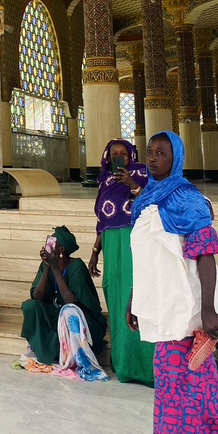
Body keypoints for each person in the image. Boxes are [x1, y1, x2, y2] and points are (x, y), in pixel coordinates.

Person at [129, 131, 218, 434]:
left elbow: (205, 255)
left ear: (176, 158)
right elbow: (146, 260)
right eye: (149, 153)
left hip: (185, 304)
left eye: (161, 153)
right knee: (201, 375)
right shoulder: (145, 200)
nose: (152, 158)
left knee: (171, 380)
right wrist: (135, 300)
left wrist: (209, 310)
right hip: (159, 300)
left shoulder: (186, 198)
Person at [88, 139, 154, 386]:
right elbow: (102, 221)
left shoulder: (142, 174)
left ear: (131, 155)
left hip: (133, 245)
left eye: (123, 153)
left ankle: (147, 368)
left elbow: (153, 205)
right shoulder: (104, 181)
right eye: (114, 153)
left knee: (136, 299)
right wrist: (95, 252)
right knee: (116, 301)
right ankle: (124, 364)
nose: (119, 157)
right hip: (111, 248)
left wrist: (132, 185)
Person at [21, 226, 108, 374]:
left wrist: (55, 269)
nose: (47, 245)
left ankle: (72, 356)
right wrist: (48, 268)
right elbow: (37, 297)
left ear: (61, 249)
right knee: (31, 306)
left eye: (52, 243)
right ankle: (46, 351)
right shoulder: (47, 265)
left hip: (81, 321)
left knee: (69, 312)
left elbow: (72, 302)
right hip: (57, 314)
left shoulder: (77, 266)